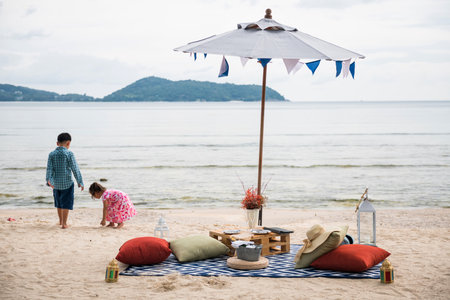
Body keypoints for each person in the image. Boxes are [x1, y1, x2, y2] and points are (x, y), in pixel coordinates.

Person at [46, 132, 84, 229]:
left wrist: (49, 180)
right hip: (67, 183)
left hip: (55, 184)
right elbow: (75, 168)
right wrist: (80, 181)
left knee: (58, 203)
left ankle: (60, 221)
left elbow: (49, 169)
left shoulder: (51, 154)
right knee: (66, 204)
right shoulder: (69, 153)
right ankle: (64, 223)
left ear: (57, 143)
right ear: (68, 143)